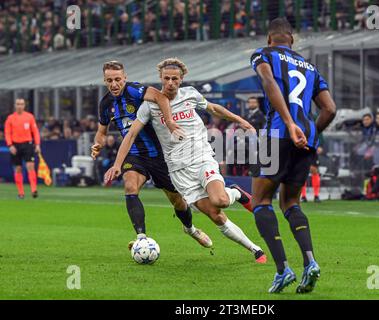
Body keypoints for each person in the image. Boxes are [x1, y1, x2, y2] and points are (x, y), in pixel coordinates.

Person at [105, 58, 267, 264]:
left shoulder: (190, 94)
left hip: (201, 158)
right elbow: (131, 135)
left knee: (221, 201)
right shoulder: (149, 106)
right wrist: (117, 164)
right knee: (214, 215)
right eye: (166, 79)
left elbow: (214, 108)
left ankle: (235, 192)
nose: (170, 83)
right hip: (178, 171)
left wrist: (242, 121)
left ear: (181, 80)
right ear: (160, 79)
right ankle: (255, 249)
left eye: (175, 79)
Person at [250, 17, 336, 294]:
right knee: (290, 203)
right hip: (305, 140)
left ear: (269, 38)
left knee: (261, 201)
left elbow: (268, 83)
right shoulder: (311, 67)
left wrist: (289, 124)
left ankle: (282, 269)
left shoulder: (263, 55)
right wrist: (309, 134)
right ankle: (310, 262)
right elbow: (330, 109)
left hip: (278, 134)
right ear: (292, 39)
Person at [91, 60, 212, 250]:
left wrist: (170, 122)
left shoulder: (135, 91)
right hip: (134, 154)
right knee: (130, 186)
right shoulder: (105, 103)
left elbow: (162, 98)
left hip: (160, 154)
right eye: (109, 81)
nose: (114, 84)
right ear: (104, 81)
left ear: (125, 78)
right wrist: (98, 144)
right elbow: (101, 131)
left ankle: (190, 229)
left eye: (117, 79)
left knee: (178, 201)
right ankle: (141, 237)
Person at [4, 98, 41, 199]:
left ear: (24, 105)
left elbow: (35, 131)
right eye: (18, 104)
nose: (20, 106)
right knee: (18, 168)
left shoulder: (29, 117)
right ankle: (21, 193)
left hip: (27, 144)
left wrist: (37, 144)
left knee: (30, 166)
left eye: (21, 104)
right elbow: (7, 133)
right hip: (15, 145)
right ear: (15, 105)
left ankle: (34, 190)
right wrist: (10, 145)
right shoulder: (10, 118)